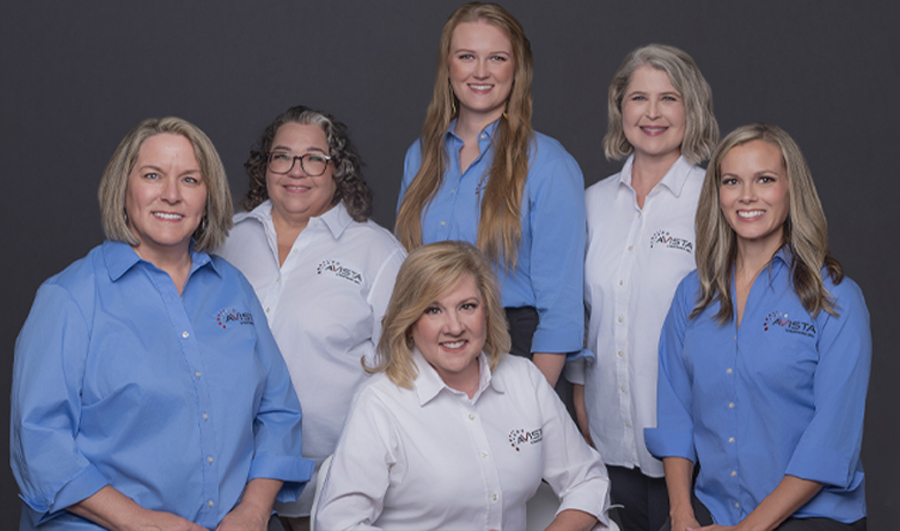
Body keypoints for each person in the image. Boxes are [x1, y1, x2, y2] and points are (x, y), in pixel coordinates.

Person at [10, 117, 313, 531]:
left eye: (189, 180)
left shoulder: (234, 290)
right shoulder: (69, 298)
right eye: (153, 175)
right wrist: (139, 522)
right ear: (124, 187)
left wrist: (254, 511)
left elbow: (279, 411)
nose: (171, 195)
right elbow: (40, 443)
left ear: (208, 196)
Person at [645, 124, 870, 531]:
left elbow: (830, 441)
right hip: (712, 509)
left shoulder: (836, 299)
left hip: (811, 516)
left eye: (764, 180)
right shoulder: (691, 295)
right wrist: (682, 515)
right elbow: (675, 416)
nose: (747, 196)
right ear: (718, 195)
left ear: (790, 189)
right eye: (732, 181)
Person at [315, 241, 611, 531]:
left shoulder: (524, 380)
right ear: (409, 320)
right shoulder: (380, 402)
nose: (454, 327)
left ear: (487, 311)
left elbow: (587, 479)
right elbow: (338, 522)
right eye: (434, 310)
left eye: (467, 306)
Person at [216, 106, 406, 530]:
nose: (295, 170)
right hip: (230, 472)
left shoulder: (377, 251)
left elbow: (405, 367)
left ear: (338, 169)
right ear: (264, 167)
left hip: (332, 479)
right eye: (281, 156)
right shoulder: (226, 239)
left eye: (314, 158)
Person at [566, 44, 718, 531]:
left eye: (668, 98)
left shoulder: (716, 200)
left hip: (697, 452)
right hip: (607, 444)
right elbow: (579, 315)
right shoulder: (589, 203)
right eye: (638, 98)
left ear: (691, 109)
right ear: (620, 108)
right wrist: (582, 405)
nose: (652, 113)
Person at [395, 2, 587, 386]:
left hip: (517, 353)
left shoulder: (549, 165)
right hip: (432, 351)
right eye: (467, 56)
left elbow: (562, 310)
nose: (480, 72)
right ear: (447, 66)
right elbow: (406, 269)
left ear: (517, 70)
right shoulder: (420, 157)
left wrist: (530, 403)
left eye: (496, 58)